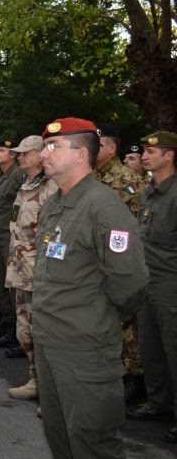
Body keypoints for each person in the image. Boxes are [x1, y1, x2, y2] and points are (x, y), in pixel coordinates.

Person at [34, 117, 148, 459]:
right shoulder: (55, 203)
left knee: (92, 445)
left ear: (81, 154)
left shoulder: (104, 206)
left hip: (84, 351)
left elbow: (131, 283)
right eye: (44, 146)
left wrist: (98, 317)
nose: (44, 154)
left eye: (54, 146)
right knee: (61, 439)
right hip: (48, 342)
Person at [126, 131, 177, 444]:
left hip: (171, 285)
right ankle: (159, 403)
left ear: (169, 155)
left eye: (151, 151)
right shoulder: (147, 192)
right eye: (143, 151)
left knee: (174, 351)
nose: (145, 155)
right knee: (151, 348)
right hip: (147, 283)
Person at [94, 123, 148, 403]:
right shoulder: (90, 177)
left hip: (120, 263)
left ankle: (135, 377)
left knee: (127, 325)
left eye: (99, 143)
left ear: (112, 148)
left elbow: (139, 225)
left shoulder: (127, 179)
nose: (94, 148)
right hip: (96, 263)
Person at [4, 136, 57, 395]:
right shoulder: (25, 185)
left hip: (39, 271)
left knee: (43, 331)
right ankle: (35, 380)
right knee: (24, 330)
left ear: (40, 154)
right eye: (19, 153)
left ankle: (50, 391)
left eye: (26, 153)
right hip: (20, 269)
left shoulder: (51, 186)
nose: (21, 157)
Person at [0, 139, 23, 349]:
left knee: (13, 288)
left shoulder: (18, 175)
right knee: (0, 285)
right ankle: (6, 324)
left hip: (9, 238)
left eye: (2, 150)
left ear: (13, 155)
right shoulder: (0, 176)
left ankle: (17, 331)